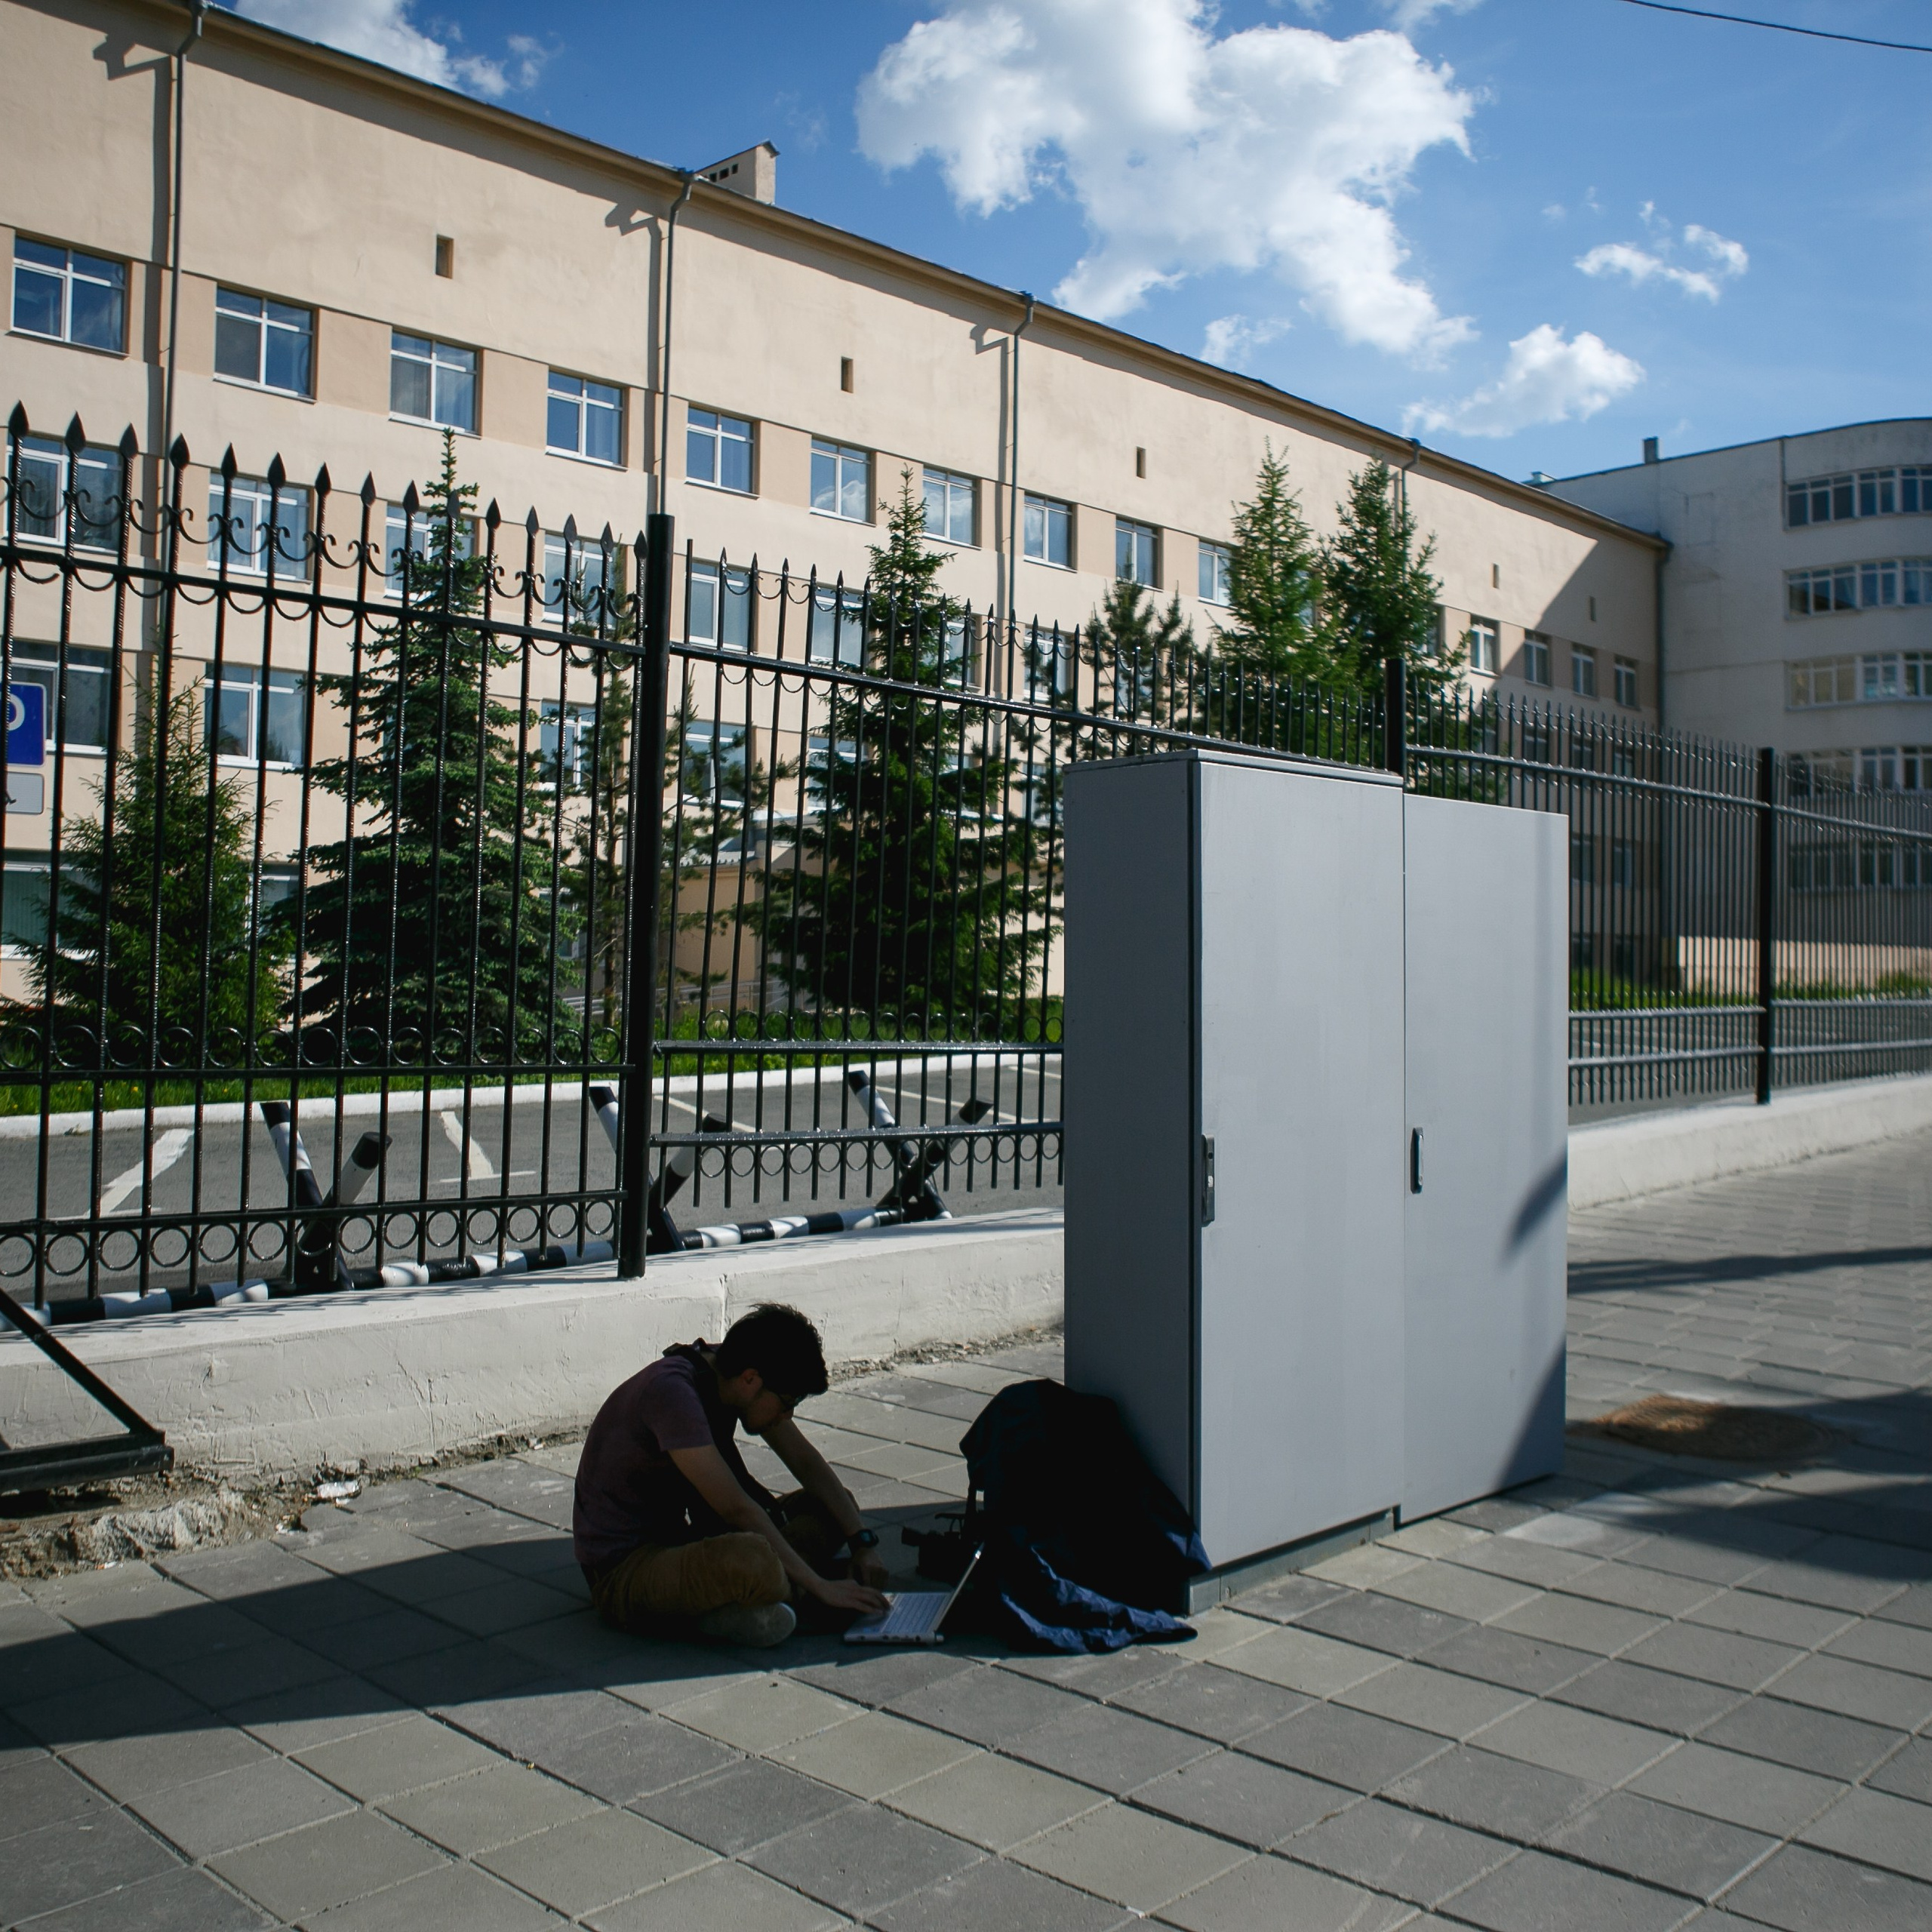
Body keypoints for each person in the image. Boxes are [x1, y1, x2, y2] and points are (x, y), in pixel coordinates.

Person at [573, 1303, 891, 1647]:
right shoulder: (672, 1394)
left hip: (685, 1544)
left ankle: (750, 1602)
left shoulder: (731, 1370)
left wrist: (862, 1543)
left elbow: (805, 1462)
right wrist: (822, 1587)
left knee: (835, 1505)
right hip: (625, 1570)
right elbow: (736, 1509)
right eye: (787, 1402)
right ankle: (773, 1597)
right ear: (751, 1379)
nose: (788, 1415)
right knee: (754, 1561)